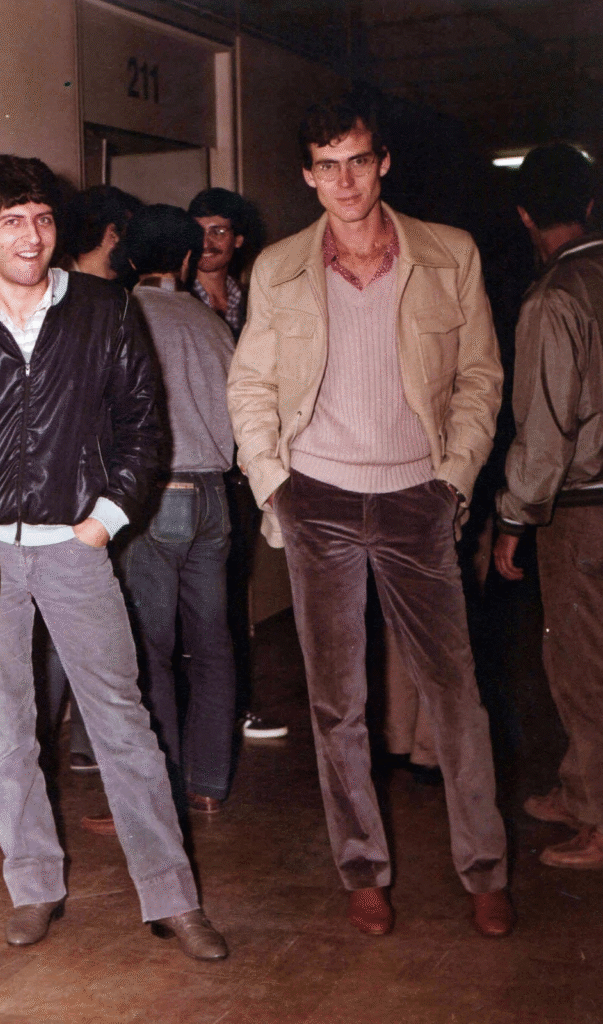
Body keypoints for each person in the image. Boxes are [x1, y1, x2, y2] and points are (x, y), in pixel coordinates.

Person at [0, 154, 227, 960]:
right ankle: (33, 886)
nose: (31, 235)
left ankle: (172, 897)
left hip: (74, 550)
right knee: (7, 727)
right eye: (12, 220)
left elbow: (142, 427)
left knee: (122, 723)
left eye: (42, 218)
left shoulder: (102, 308)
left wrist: (103, 520)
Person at [227, 87, 513, 938]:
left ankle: (484, 868)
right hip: (316, 499)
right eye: (327, 166)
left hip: (416, 498)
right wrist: (273, 484)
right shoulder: (277, 267)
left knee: (454, 695)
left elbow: (480, 378)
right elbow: (249, 386)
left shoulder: (447, 253)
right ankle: (362, 869)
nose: (344, 182)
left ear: (381, 162)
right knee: (336, 701)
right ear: (307, 176)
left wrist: (452, 480)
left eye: (357, 161)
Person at [494, 143, 603, 870]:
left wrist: (513, 517)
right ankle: (578, 785)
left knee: (579, 662)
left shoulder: (553, 297)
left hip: (583, 510)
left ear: (525, 215)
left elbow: (544, 430)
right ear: (590, 204)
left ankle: (598, 821)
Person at [122, 204, 237, 814]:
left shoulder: (123, 317)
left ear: (130, 258)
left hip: (155, 496)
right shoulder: (213, 323)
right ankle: (208, 786)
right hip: (216, 495)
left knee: (151, 651)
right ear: (188, 259)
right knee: (212, 645)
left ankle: (160, 794)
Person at [188, 187, 288, 740]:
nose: (209, 243)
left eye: (220, 231)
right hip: (195, 466)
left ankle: (238, 705)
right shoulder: (174, 298)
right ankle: (202, 716)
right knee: (198, 598)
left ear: (239, 239)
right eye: (199, 231)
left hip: (245, 467)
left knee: (233, 588)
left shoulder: (255, 301)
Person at [59, 183, 143, 772]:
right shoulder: (101, 305)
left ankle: (87, 746)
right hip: (85, 506)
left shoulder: (96, 302)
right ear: (111, 235)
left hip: (96, 507)